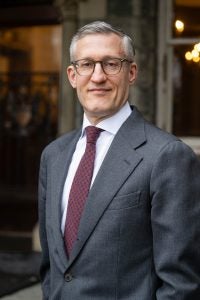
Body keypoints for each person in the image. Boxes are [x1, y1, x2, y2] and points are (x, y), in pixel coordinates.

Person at [38, 21, 200, 299]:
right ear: (72, 75)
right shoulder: (53, 156)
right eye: (86, 64)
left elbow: (180, 285)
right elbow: (52, 267)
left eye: (111, 64)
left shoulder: (167, 156)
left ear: (132, 72)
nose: (98, 76)